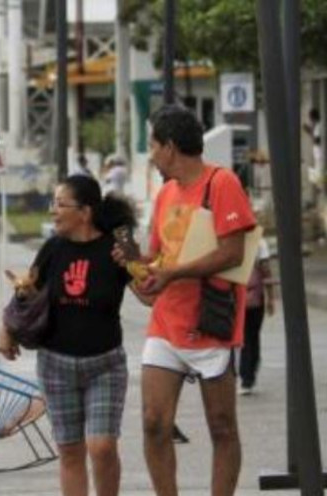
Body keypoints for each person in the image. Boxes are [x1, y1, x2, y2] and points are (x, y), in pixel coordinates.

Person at [123, 104, 257, 496]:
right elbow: (159, 259)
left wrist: (173, 273)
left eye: (152, 145)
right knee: (153, 421)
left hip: (210, 323)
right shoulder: (165, 193)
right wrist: (134, 263)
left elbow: (232, 252)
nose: (151, 154)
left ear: (169, 147)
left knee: (221, 425)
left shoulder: (222, 183)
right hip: (166, 323)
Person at [0, 175, 138, 496]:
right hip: (55, 365)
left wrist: (135, 259)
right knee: (70, 451)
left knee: (102, 447)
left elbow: (149, 295)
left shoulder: (118, 246)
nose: (53, 211)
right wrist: (6, 328)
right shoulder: (52, 248)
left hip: (105, 365)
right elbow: (26, 291)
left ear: (85, 212)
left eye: (60, 204)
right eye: (53, 204)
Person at [239, 238, 274, 395]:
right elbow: (266, 271)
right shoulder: (259, 242)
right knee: (252, 337)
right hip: (256, 298)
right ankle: (249, 374)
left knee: (246, 338)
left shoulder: (234, 239)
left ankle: (247, 377)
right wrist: (271, 298)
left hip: (239, 298)